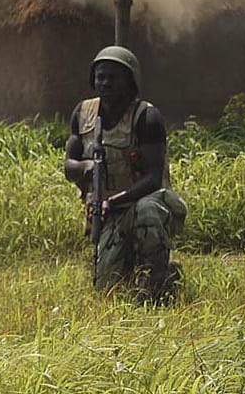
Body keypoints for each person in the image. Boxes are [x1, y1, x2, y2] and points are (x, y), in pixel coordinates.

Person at [64, 45, 188, 303]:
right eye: (100, 77)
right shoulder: (83, 114)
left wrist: (114, 201)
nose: (105, 83)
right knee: (106, 287)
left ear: (130, 81)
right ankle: (139, 268)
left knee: (146, 211)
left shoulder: (146, 117)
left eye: (113, 77)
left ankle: (159, 285)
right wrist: (87, 168)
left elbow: (153, 179)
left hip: (150, 202)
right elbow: (69, 167)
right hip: (108, 212)